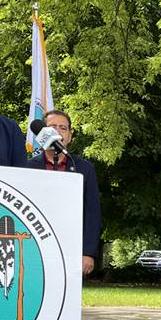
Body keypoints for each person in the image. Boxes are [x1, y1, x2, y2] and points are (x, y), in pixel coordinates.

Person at [26, 109, 102, 276]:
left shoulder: (85, 168)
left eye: (63, 128)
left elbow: (92, 213)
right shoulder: (27, 167)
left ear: (70, 135)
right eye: (52, 126)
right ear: (41, 134)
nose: (58, 132)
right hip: (35, 248)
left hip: (71, 249)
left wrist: (88, 253)